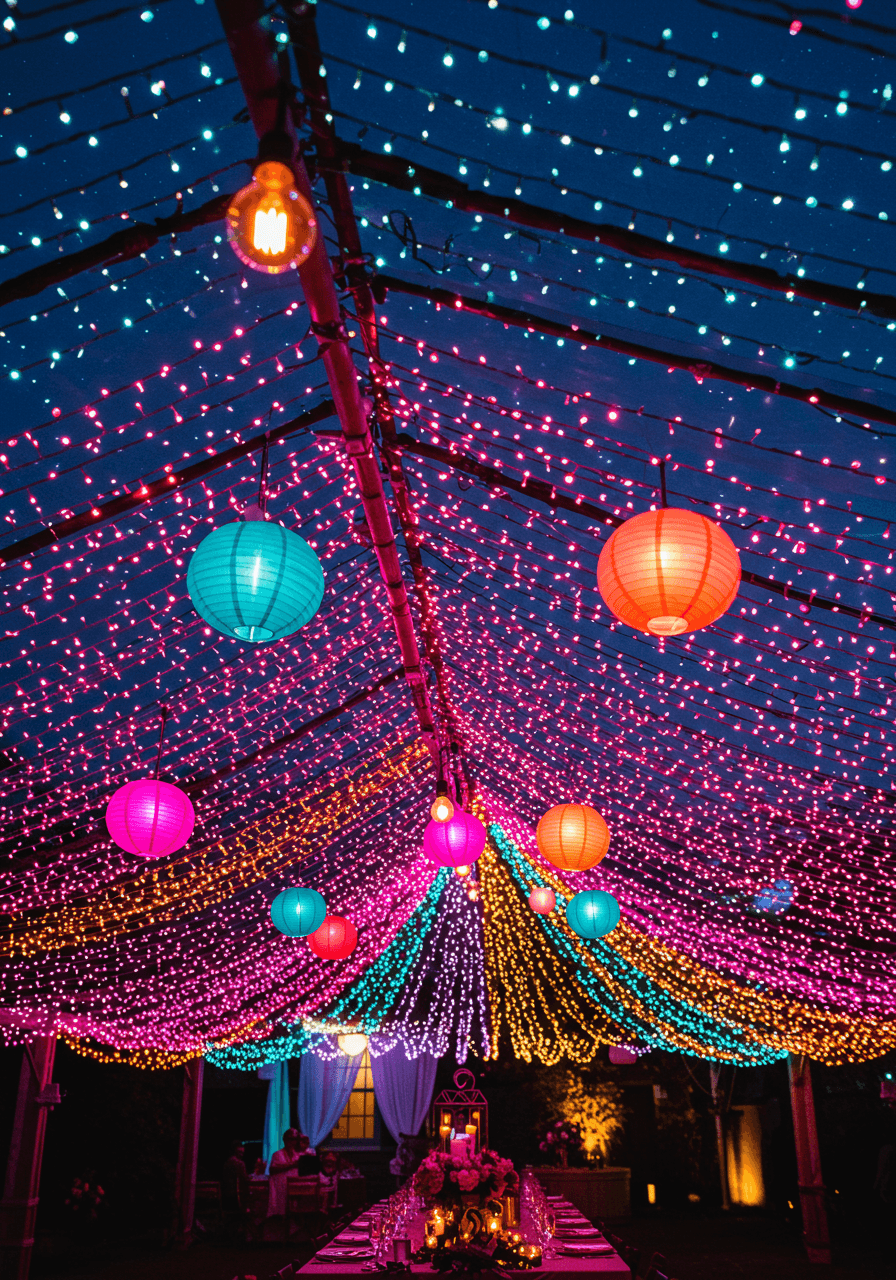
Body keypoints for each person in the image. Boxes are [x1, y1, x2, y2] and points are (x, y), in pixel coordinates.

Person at [267, 1128, 302, 1218]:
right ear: (285, 1139)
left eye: (294, 1139)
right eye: (290, 1139)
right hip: (281, 1189)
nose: (292, 1142)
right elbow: (272, 1170)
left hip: (295, 1189)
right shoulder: (277, 1154)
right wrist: (291, 1165)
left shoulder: (298, 1155)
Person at [221, 1141, 250, 1237]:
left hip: (225, 1196)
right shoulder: (240, 1164)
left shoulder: (227, 1163)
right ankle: (247, 1233)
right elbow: (244, 1180)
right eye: (240, 1153)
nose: (241, 1155)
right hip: (237, 1198)